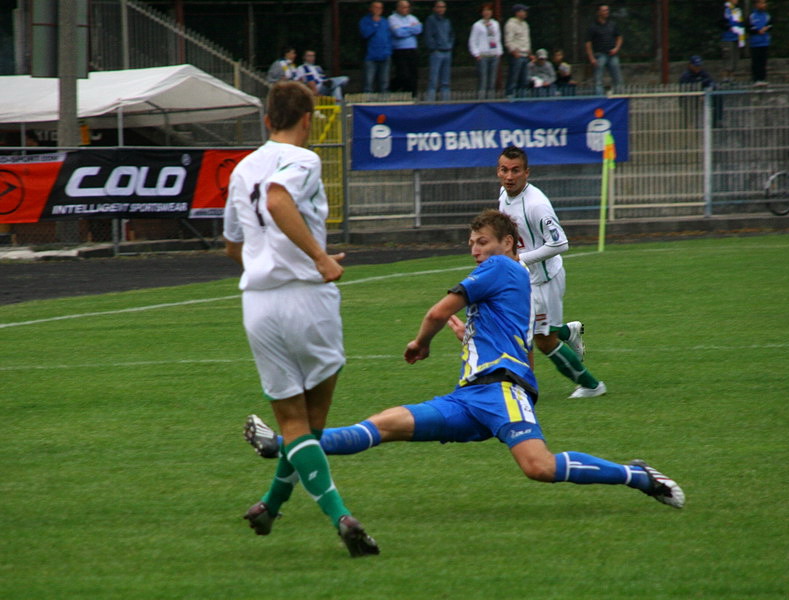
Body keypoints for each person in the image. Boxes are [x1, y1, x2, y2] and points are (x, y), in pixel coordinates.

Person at [243, 209, 685, 513]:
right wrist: (466, 333)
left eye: (483, 242)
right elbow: (509, 337)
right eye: (472, 243)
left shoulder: (502, 267)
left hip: (499, 392)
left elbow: (436, 311)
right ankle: (280, 445)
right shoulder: (513, 280)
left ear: (508, 243)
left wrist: (421, 343)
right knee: (382, 425)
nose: (475, 249)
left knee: (539, 466)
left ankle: (637, 475)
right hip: (469, 397)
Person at [223, 81, 379, 558]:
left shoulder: (242, 167)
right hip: (307, 301)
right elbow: (277, 199)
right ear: (307, 120)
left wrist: (270, 265)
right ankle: (341, 516)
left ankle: (271, 505)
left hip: (259, 305)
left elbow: (234, 244)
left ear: (268, 119)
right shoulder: (306, 160)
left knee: (292, 425)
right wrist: (319, 258)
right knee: (311, 424)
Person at [496, 146, 607, 399]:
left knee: (544, 341)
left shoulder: (536, 205)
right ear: (498, 171)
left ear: (527, 172)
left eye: (515, 171)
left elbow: (560, 244)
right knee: (529, 331)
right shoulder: (504, 194)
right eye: (504, 170)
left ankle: (592, 386)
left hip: (544, 280)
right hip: (526, 278)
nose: (509, 176)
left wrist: (520, 259)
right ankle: (569, 332)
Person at [585, 4, 623, 97]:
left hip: (612, 54)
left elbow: (619, 37)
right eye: (604, 10)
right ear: (598, 12)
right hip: (600, 54)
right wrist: (591, 58)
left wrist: (616, 48)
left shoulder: (612, 25)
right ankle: (599, 97)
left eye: (607, 10)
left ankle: (618, 96)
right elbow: (588, 43)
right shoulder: (593, 27)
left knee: (617, 78)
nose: (606, 12)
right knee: (598, 79)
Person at [468, 3, 502, 99]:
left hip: (494, 55)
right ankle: (481, 101)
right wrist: (476, 53)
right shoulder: (477, 25)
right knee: (483, 80)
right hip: (483, 56)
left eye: (489, 10)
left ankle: (490, 100)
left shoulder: (495, 24)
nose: (487, 12)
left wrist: (499, 52)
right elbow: (472, 40)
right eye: (485, 10)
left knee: (492, 81)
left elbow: (498, 39)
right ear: (482, 12)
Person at [389, 0, 423, 95]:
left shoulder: (412, 18)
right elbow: (398, 33)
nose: (406, 9)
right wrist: (411, 29)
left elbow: (419, 29)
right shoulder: (392, 18)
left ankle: (412, 95)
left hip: (412, 49)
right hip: (399, 50)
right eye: (403, 7)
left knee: (413, 74)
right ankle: (393, 89)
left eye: (407, 7)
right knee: (403, 74)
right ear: (398, 8)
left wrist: (405, 28)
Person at [424, 0, 455, 101]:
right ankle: (430, 103)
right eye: (439, 7)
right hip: (436, 52)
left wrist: (450, 45)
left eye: (443, 7)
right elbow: (428, 36)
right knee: (433, 80)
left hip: (447, 51)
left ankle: (445, 102)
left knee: (445, 81)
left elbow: (451, 34)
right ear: (434, 8)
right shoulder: (430, 20)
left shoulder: (447, 21)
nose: (441, 9)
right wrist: (434, 47)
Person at [359, 1, 393, 94]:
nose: (378, 10)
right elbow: (365, 34)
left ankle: (385, 102)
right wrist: (375, 24)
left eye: (380, 8)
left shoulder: (385, 21)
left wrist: (389, 50)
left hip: (385, 55)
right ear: (371, 9)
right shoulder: (365, 21)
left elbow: (389, 37)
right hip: (371, 56)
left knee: (384, 81)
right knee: (368, 81)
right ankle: (367, 101)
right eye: (376, 7)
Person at [503, 4, 532, 97]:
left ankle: (522, 97)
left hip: (525, 55)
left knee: (524, 79)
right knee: (513, 78)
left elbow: (526, 39)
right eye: (523, 11)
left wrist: (529, 51)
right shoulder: (511, 24)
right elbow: (508, 40)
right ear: (517, 12)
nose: (525, 13)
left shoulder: (525, 24)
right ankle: (510, 95)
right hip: (517, 55)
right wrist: (513, 51)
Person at [719, 1, 745, 82]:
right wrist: (729, 27)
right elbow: (721, 22)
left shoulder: (737, 10)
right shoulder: (725, 9)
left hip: (736, 38)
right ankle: (725, 78)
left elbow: (740, 23)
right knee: (728, 60)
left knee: (734, 60)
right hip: (727, 38)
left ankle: (732, 78)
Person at [747, 0, 771, 86]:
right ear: (757, 4)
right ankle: (756, 79)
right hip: (755, 42)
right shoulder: (752, 16)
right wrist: (757, 31)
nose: (763, 5)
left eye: (764, 3)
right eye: (761, 3)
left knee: (763, 61)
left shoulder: (767, 15)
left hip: (764, 42)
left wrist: (766, 28)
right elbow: (749, 28)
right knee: (756, 61)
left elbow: (770, 25)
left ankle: (763, 78)